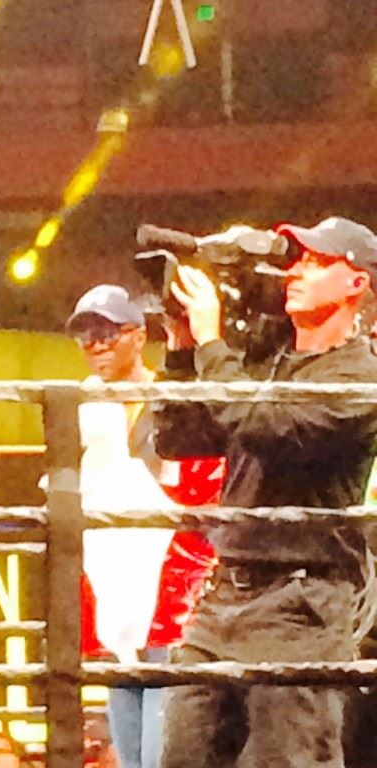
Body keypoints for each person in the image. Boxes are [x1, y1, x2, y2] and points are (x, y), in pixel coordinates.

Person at [154, 216, 377, 768]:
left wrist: (211, 341)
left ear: (358, 284)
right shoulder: (265, 360)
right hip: (224, 594)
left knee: (287, 760)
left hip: (300, 607)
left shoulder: (359, 378)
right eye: (297, 259)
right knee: (184, 757)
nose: (296, 271)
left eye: (318, 261)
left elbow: (264, 427)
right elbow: (178, 439)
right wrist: (183, 349)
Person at [66, 286, 217, 768]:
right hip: (116, 605)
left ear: (137, 334)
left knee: (160, 754)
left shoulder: (170, 399)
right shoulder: (82, 410)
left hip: (171, 592)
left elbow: (202, 489)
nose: (95, 344)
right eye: (85, 335)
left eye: (107, 331)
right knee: (131, 754)